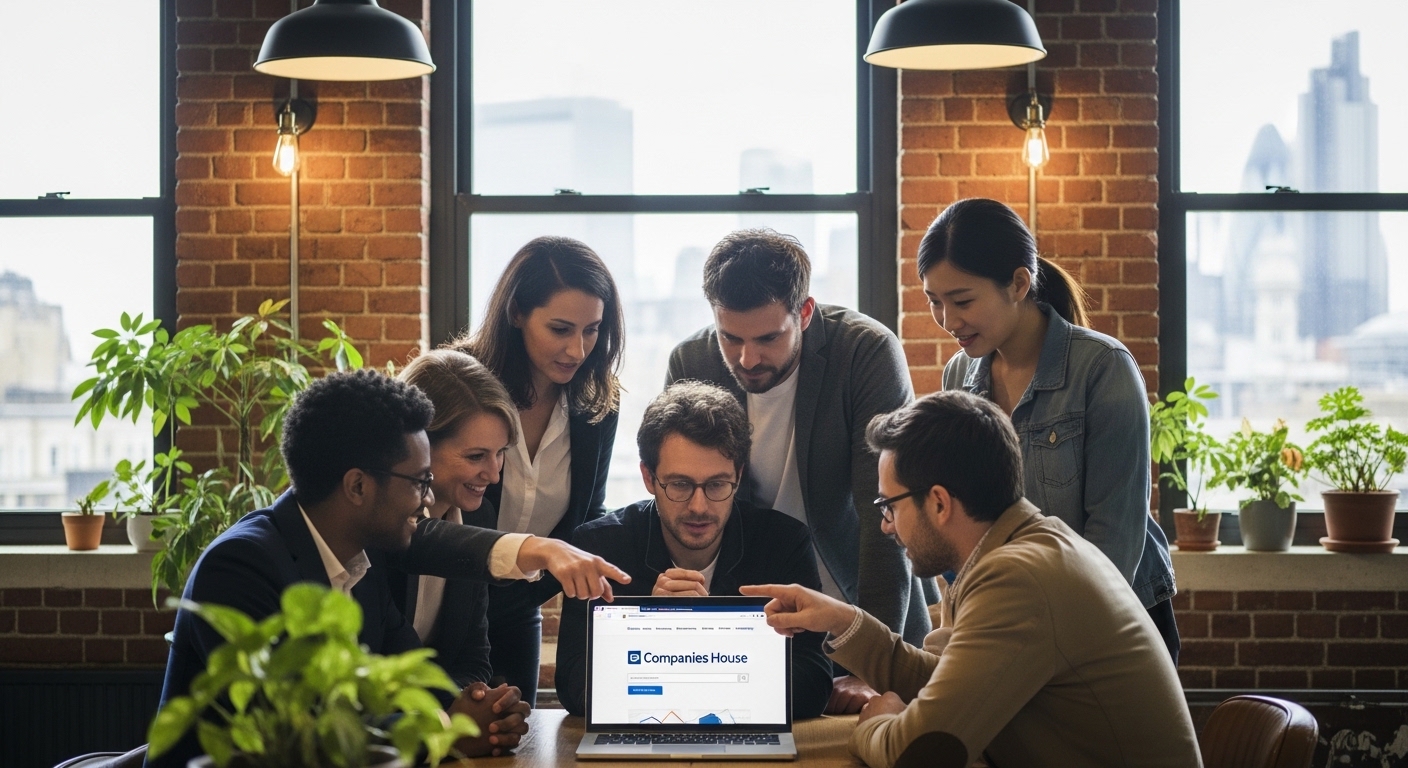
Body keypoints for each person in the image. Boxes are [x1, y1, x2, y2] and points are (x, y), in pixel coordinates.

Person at [150, 370, 630, 768]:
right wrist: (446, 729)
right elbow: (310, 732)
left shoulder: (362, 562)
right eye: (420, 482)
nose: (427, 501)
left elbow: (406, 675)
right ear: (358, 486)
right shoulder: (242, 566)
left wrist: (478, 710)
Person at [742, 391, 1201, 768]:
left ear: (939, 503)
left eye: (890, 507)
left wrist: (876, 723)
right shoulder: (1013, 550)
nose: (886, 526)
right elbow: (941, 680)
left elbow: (921, 753)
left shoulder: (1017, 578)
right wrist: (843, 621)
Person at [665, 228, 931, 712]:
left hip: (862, 605)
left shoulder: (865, 353)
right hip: (757, 616)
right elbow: (683, 499)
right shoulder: (691, 359)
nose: (747, 358)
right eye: (731, 337)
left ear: (804, 313)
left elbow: (885, 518)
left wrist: (868, 662)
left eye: (768, 338)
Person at [918, 198, 1179, 662]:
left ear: (1019, 283)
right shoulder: (959, 377)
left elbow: (1114, 543)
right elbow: (966, 528)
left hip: (1113, 621)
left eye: (962, 300)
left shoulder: (1102, 368)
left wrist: (1041, 640)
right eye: (934, 302)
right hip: (1015, 622)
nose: (948, 321)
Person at [555, 381, 833, 718]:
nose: (699, 507)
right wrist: (650, 629)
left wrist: (700, 638)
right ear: (648, 477)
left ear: (738, 476)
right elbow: (574, 687)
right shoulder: (599, 548)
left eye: (716, 485)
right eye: (680, 485)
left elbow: (814, 683)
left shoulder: (783, 543)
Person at [450, 235, 624, 707]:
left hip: (517, 609)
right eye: (561, 329)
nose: (577, 349)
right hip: (444, 609)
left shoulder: (597, 407)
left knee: (512, 743)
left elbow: (588, 517)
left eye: (592, 330)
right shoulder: (458, 382)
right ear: (516, 313)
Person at [387, 349, 518, 689]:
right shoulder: (380, 524)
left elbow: (474, 657)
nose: (493, 476)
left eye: (500, 453)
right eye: (476, 456)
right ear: (420, 446)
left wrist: (474, 701)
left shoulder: (481, 516)